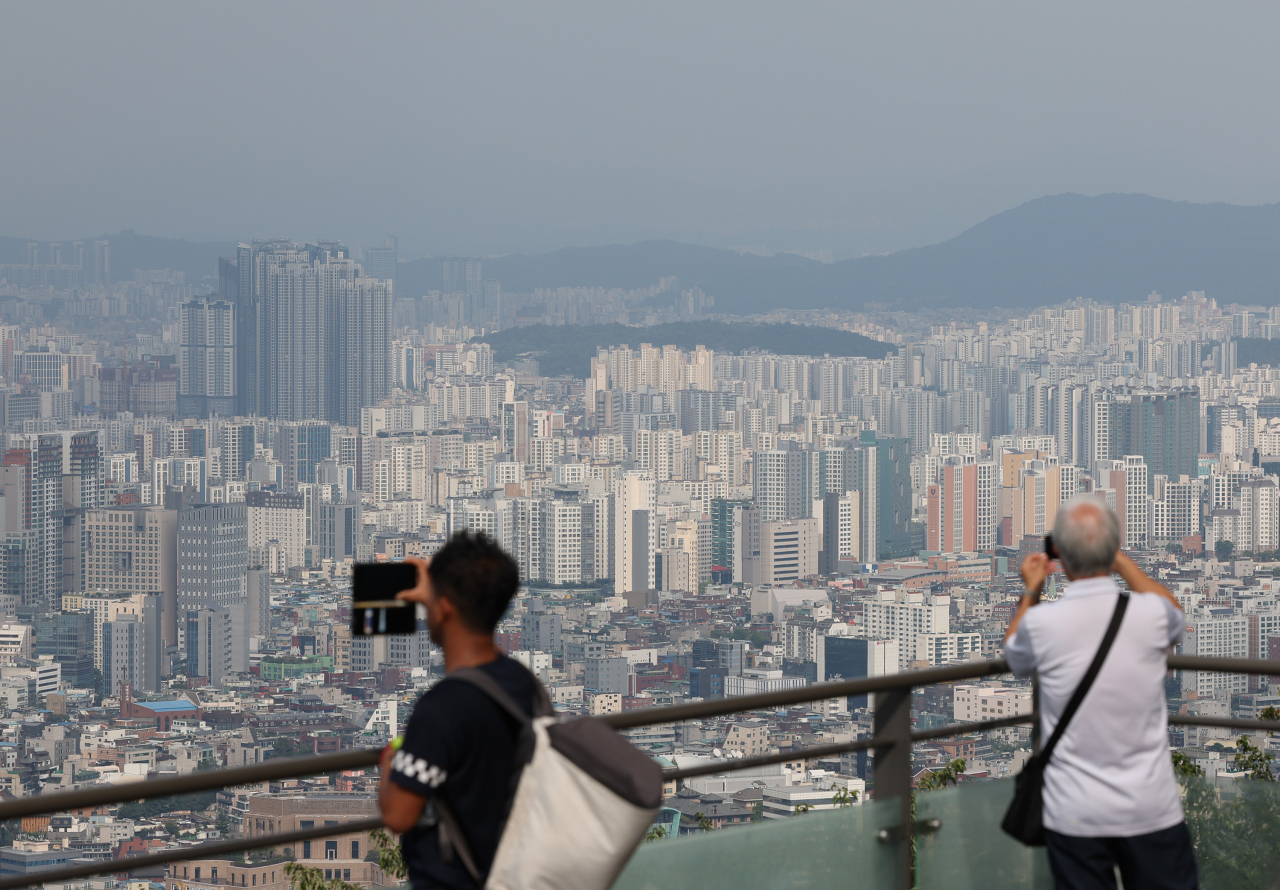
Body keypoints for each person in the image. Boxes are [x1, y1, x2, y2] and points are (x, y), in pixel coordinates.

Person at [1003, 496, 1197, 890]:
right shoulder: (1151, 615)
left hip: (1074, 812)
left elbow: (1014, 653)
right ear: (1111, 549)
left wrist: (1032, 589)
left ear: (1056, 550)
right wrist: (1119, 559)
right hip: (1150, 806)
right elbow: (1174, 611)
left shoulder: (1042, 623)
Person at [378, 531, 539, 890]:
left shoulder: (442, 709)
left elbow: (398, 815)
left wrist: (390, 765)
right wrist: (437, 593)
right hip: (515, 872)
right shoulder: (523, 682)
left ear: (445, 606)